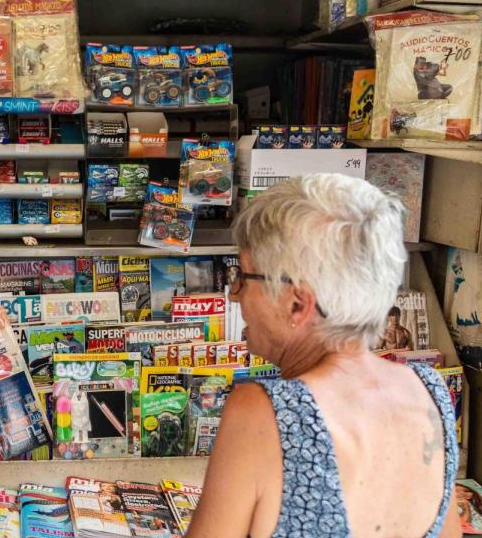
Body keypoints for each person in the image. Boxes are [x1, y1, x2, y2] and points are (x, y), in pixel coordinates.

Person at [188, 174, 462, 538]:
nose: (234, 295)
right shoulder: (430, 393)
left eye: (242, 277)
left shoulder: (263, 412)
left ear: (297, 303)